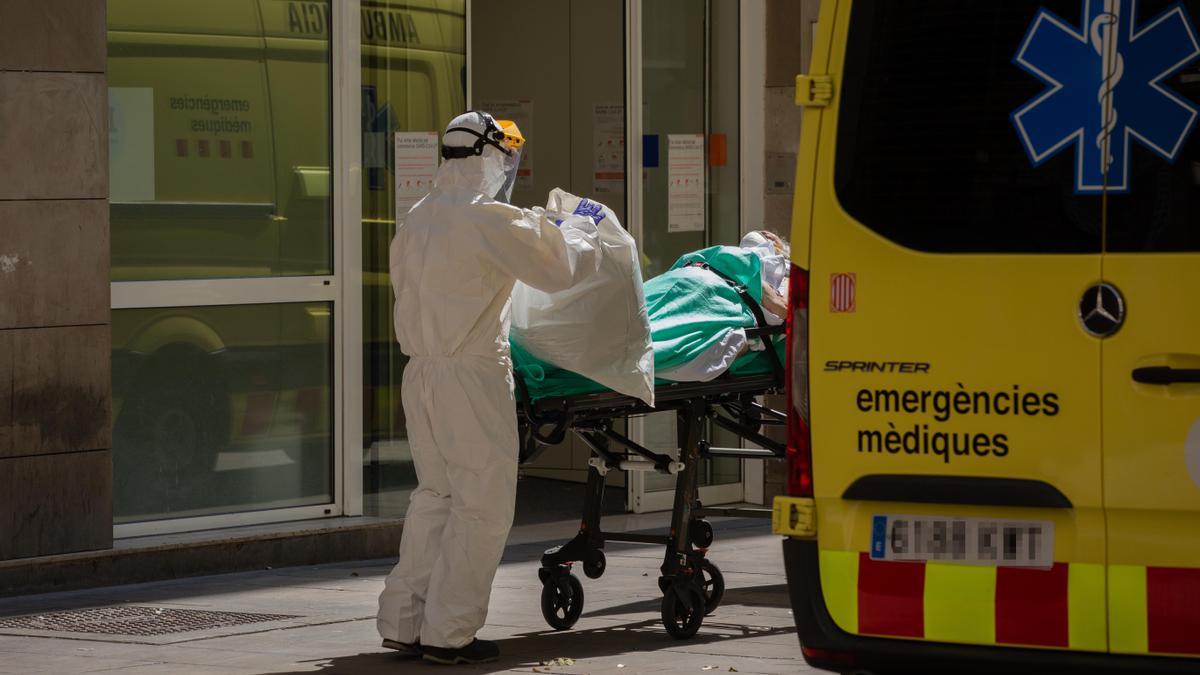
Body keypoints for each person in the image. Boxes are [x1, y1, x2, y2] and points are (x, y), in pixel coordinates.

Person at [376, 111, 601, 665]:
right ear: (491, 155)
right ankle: (448, 634)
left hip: (422, 374)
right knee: (482, 506)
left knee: (436, 497)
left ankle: (403, 623)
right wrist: (582, 224)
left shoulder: (419, 216)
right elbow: (561, 269)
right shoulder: (489, 219)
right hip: (471, 377)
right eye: (506, 155)